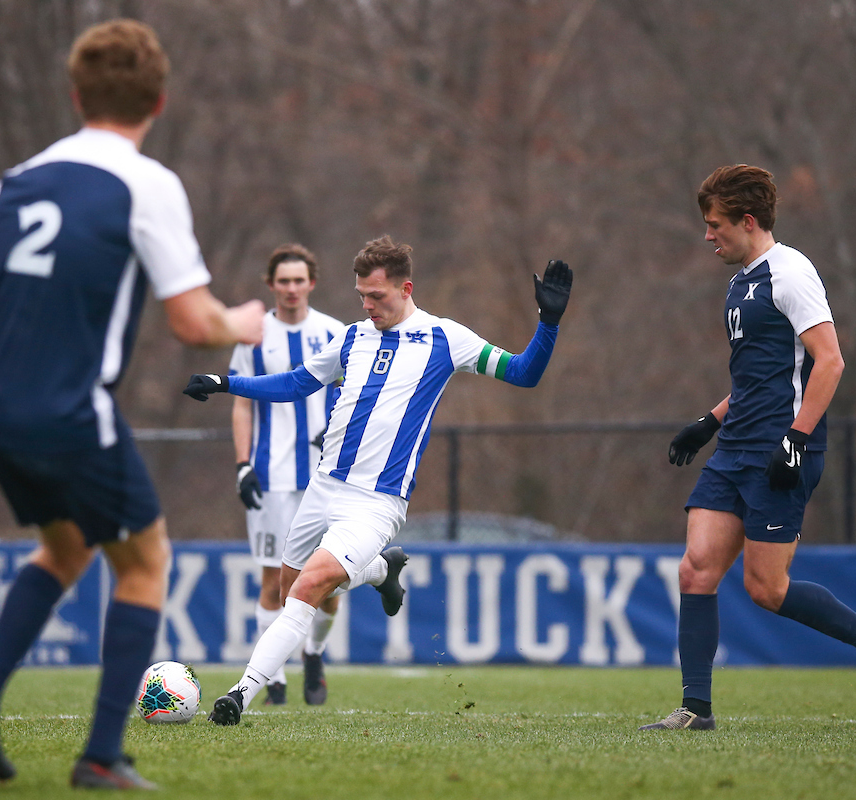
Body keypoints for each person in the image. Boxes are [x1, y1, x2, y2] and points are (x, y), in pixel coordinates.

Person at [0, 19, 264, 788]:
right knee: (145, 562)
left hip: (2, 407)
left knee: (67, 548)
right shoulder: (146, 184)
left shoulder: (16, 180)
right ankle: (102, 756)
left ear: (76, 95)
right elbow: (193, 323)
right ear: (159, 102)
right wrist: (241, 322)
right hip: (71, 412)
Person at [184, 235, 573, 725]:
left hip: (375, 502)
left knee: (308, 588)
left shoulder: (445, 338)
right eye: (361, 296)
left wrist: (548, 323)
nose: (367, 306)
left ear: (405, 288)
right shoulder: (353, 337)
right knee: (291, 592)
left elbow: (523, 373)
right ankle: (378, 572)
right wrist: (225, 383)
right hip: (323, 486)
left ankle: (238, 696)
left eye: (376, 296)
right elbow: (298, 382)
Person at [643, 165, 856, 731]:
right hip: (735, 448)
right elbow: (759, 379)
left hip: (779, 452)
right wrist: (708, 422)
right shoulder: (740, 282)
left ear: (747, 220)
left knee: (766, 589)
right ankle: (696, 710)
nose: (708, 235)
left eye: (715, 225)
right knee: (695, 571)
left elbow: (830, 361)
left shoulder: (790, 273)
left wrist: (796, 438)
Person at [230, 243, 346, 706]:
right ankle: (273, 678)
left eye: (299, 280)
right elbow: (242, 404)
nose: (292, 288)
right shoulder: (253, 337)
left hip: (326, 476)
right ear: (271, 284)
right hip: (271, 476)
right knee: (272, 581)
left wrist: (336, 432)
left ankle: (313, 653)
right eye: (284, 281)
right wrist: (242, 464)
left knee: (329, 585)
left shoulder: (335, 332)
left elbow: (352, 393)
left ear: (311, 283)